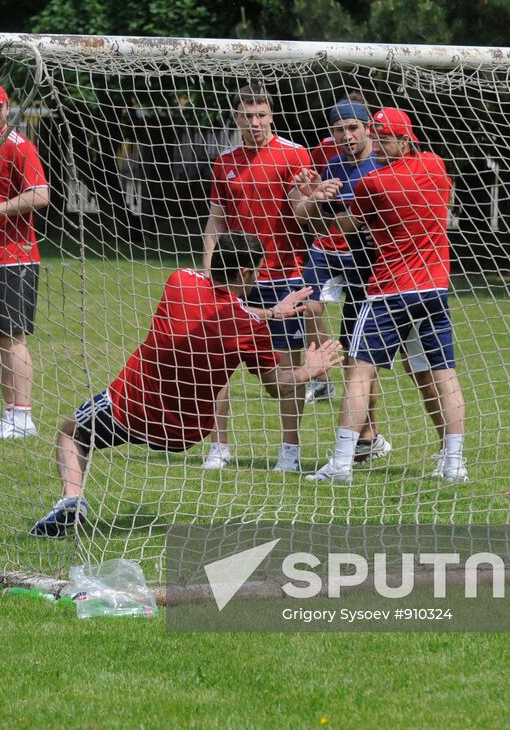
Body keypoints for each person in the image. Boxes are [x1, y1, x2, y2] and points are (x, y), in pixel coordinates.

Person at [30, 232, 343, 537]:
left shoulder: (179, 281)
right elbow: (277, 385)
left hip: (132, 410)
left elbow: (217, 307)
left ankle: (72, 500)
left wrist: (270, 313)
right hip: (186, 431)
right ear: (246, 271)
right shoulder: (251, 329)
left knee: (72, 432)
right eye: (257, 272)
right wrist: (308, 369)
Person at [303, 108, 469, 483]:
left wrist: (320, 198)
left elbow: (337, 227)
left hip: (387, 293)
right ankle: (454, 463)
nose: (374, 143)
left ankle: (342, 463)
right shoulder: (435, 164)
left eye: (382, 137)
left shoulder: (374, 183)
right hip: (434, 290)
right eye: (374, 135)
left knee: (359, 371)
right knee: (444, 374)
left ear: (404, 139)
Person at [200, 83, 311, 472]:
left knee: (284, 369)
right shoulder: (223, 161)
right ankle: (219, 448)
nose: (255, 122)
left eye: (261, 114)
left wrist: (310, 196)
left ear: (272, 115)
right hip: (234, 280)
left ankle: (290, 451)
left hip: (284, 275)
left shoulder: (295, 154)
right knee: (217, 363)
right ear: (236, 118)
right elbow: (215, 221)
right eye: (247, 116)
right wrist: (209, 271)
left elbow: (301, 213)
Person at [0, 83, 50, 439]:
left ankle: (25, 415)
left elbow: (40, 195)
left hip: (13, 257)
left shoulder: (19, 146)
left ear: (7, 109)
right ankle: (10, 411)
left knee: (11, 336)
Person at [301, 96, 373, 406]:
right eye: (339, 130)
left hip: (367, 259)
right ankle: (321, 379)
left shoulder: (383, 164)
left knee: (357, 344)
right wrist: (317, 197)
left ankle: (367, 426)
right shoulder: (333, 163)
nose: (347, 137)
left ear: (367, 128)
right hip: (327, 247)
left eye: (353, 128)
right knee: (306, 306)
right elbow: (318, 224)